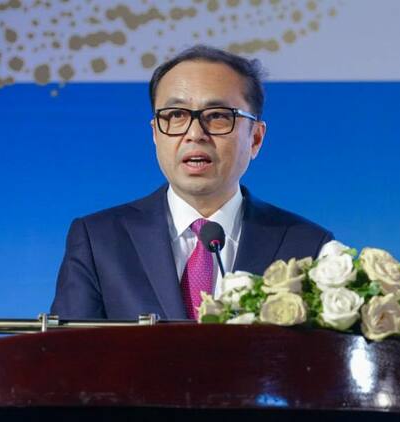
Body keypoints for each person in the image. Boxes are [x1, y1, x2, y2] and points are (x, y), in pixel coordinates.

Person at [51, 45, 332, 320]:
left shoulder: (308, 247)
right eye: (176, 115)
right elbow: (67, 349)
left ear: (255, 138)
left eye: (218, 116)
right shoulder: (98, 240)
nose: (195, 134)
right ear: (155, 134)